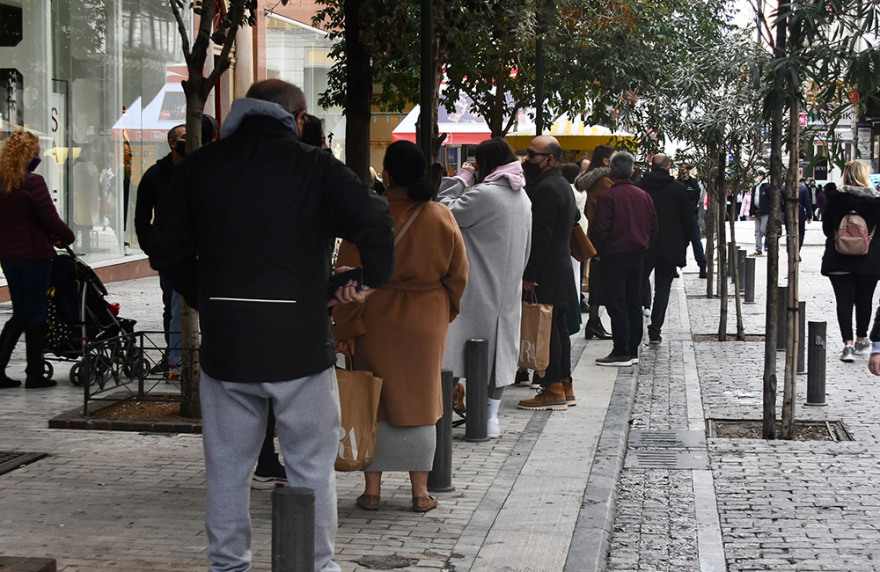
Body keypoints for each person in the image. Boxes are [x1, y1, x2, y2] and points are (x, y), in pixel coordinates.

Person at [152, 79, 395, 572]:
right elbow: (375, 219)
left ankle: (228, 565)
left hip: (228, 344)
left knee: (227, 467)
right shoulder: (315, 167)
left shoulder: (200, 166)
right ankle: (314, 564)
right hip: (299, 341)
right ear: (298, 119)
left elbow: (166, 248)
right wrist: (362, 281)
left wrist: (205, 297)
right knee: (311, 466)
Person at [334, 140, 467, 512]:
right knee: (422, 401)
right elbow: (458, 274)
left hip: (373, 317)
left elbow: (347, 277)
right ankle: (420, 492)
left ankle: (372, 490)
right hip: (426, 317)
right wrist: (445, 311)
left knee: (373, 399)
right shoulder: (441, 215)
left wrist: (345, 327)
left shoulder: (368, 216)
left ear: (387, 174)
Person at [437, 137, 532, 437]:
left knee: (454, 352)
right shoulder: (523, 198)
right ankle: (490, 418)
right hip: (507, 290)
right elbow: (527, 248)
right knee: (497, 355)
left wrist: (461, 178)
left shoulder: (485, 195)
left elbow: (442, 211)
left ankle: (439, 417)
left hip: (475, 288)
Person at [0, 130, 75, 389]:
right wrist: (67, 237)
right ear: (27, 155)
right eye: (36, 152)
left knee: (20, 313)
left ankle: (2, 369)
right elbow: (49, 218)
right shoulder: (32, 182)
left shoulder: (3, 182)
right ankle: (34, 373)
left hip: (9, 258)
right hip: (34, 257)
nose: (39, 156)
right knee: (34, 313)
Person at [517, 135, 578, 411]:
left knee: (548, 329)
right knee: (558, 327)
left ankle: (552, 388)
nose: (527, 159)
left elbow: (541, 236)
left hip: (548, 270)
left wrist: (530, 273)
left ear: (550, 159)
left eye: (532, 155)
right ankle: (564, 383)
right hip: (559, 267)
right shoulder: (561, 183)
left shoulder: (547, 188)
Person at [589, 151, 658, 366]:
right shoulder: (644, 196)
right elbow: (653, 226)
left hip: (614, 256)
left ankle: (621, 350)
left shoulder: (609, 197)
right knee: (633, 301)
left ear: (611, 171)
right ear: (632, 171)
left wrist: (597, 252)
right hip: (637, 255)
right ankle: (632, 348)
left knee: (617, 302)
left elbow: (600, 229)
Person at [134, 123, 186, 378]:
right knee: (172, 306)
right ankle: (173, 357)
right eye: (184, 137)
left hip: (200, 251)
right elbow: (142, 216)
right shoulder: (156, 174)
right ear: (172, 143)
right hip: (169, 253)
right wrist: (153, 248)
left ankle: (190, 357)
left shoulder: (202, 169)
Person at [820, 161, 880, 363]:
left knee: (843, 302)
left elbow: (827, 229)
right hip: (869, 260)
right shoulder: (876, 201)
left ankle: (847, 345)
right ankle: (861, 339)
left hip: (839, 258)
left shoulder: (835, 199)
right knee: (865, 300)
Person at [637, 154, 691, 344]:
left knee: (637, 285)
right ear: (668, 167)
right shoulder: (678, 189)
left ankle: (635, 327)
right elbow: (687, 220)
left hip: (643, 244)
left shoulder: (639, 187)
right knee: (663, 289)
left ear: (651, 166)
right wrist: (684, 244)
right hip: (670, 245)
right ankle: (655, 329)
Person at [575, 144, 615, 339]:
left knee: (597, 280)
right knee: (600, 282)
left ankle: (594, 322)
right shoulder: (605, 182)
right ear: (606, 161)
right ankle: (593, 323)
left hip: (595, 233)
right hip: (603, 236)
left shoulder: (595, 180)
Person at [678, 163, 707, 278]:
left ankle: (702, 266)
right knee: (679, 243)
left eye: (685, 169)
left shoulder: (693, 183)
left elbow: (697, 196)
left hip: (691, 215)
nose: (683, 171)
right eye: (681, 169)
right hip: (680, 217)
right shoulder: (677, 183)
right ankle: (676, 266)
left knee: (696, 242)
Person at [750, 171, 771, 256]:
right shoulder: (755, 187)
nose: (756, 178)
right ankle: (758, 249)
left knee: (763, 229)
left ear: (762, 176)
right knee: (757, 231)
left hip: (765, 212)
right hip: (756, 212)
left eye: (757, 176)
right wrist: (751, 212)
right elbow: (752, 199)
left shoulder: (767, 187)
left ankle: (771, 245)